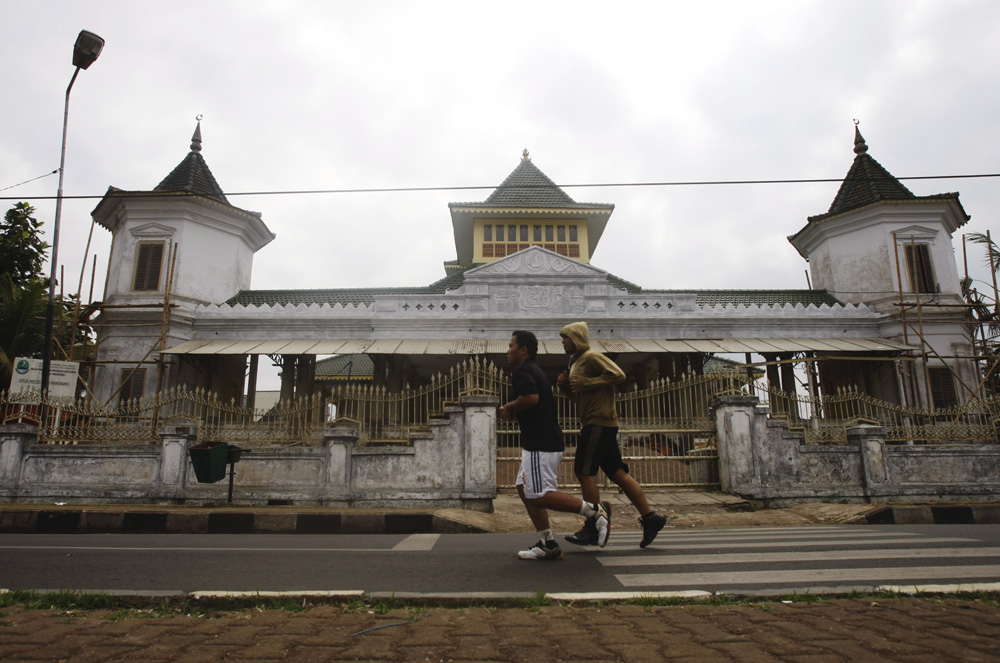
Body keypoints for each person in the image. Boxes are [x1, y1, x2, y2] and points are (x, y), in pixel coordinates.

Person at [500, 329, 611, 560]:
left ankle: (596, 511)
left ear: (523, 350)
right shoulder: (533, 370)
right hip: (540, 441)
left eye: (511, 345)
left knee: (539, 495)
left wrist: (510, 407)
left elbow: (531, 399)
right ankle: (548, 543)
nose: (508, 350)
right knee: (523, 488)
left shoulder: (522, 370)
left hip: (541, 443)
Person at [557, 321, 668, 548]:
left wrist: (587, 382)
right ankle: (650, 518)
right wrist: (566, 388)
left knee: (583, 471)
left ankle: (594, 522)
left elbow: (618, 375)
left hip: (598, 423)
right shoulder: (576, 362)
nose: (563, 342)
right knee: (617, 473)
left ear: (577, 338)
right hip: (597, 422)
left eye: (566, 337)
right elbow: (581, 397)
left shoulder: (591, 356)